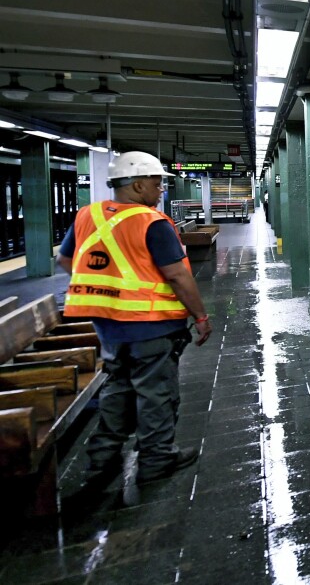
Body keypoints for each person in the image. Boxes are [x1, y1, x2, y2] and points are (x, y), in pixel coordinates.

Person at [57, 151, 213, 488]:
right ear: (138, 184)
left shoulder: (88, 215)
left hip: (108, 326)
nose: (160, 192)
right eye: (157, 185)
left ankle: (102, 459)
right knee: (155, 392)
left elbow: (65, 259)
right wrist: (200, 315)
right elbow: (177, 276)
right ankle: (156, 459)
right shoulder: (150, 222)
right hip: (151, 323)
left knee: (117, 386)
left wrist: (104, 288)